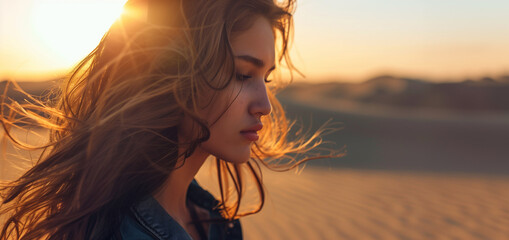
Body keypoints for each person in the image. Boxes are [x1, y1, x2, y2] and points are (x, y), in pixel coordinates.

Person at [0, 0, 337, 239]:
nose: (264, 105)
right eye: (242, 73)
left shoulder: (211, 218)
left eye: (266, 79)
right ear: (171, 72)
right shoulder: (119, 232)